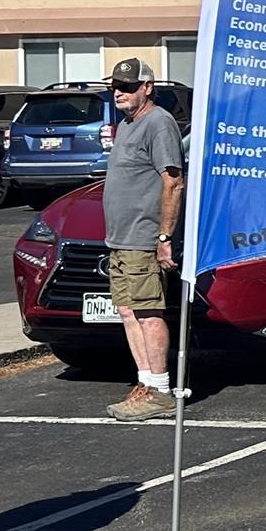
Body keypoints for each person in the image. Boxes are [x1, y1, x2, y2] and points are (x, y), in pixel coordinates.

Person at [101, 58, 185, 421]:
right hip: (120, 239)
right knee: (128, 311)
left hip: (143, 237)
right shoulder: (127, 124)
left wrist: (164, 236)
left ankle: (161, 391)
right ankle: (146, 383)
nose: (119, 93)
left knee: (149, 312)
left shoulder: (158, 123)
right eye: (116, 87)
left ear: (147, 88)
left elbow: (173, 182)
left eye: (128, 86)